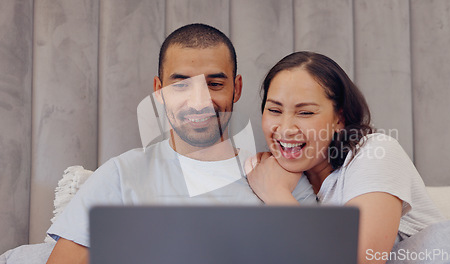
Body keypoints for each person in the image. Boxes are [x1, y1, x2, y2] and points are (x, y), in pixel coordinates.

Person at [46, 24, 316, 263]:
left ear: (236, 88)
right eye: (181, 85)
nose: (199, 101)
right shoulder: (120, 175)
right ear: (158, 91)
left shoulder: (280, 177)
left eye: (214, 83)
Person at [245, 51, 445, 264]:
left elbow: (359, 260)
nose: (285, 130)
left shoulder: (376, 152)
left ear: (339, 118)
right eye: (274, 110)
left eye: (305, 113)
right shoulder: (277, 174)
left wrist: (276, 194)